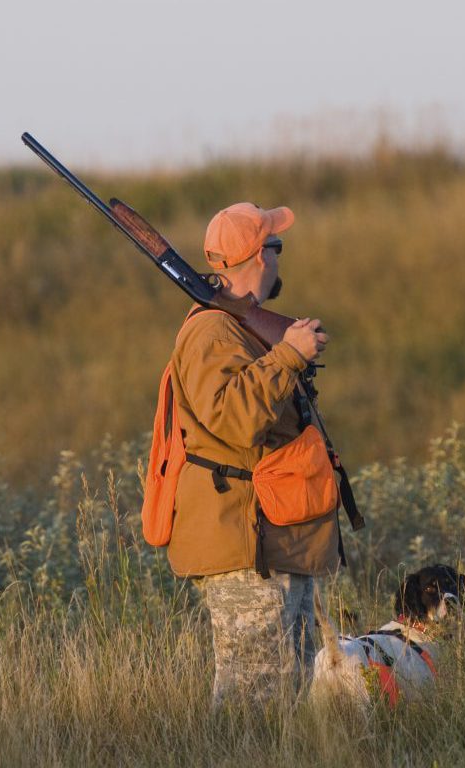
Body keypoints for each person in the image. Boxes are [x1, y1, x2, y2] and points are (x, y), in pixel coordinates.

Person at [167, 201, 341, 708]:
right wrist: (289, 355)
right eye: (277, 246)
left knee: (287, 689)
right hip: (245, 540)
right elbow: (233, 419)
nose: (280, 258)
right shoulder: (210, 332)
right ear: (260, 257)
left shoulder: (242, 327)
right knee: (252, 697)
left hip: (274, 535)